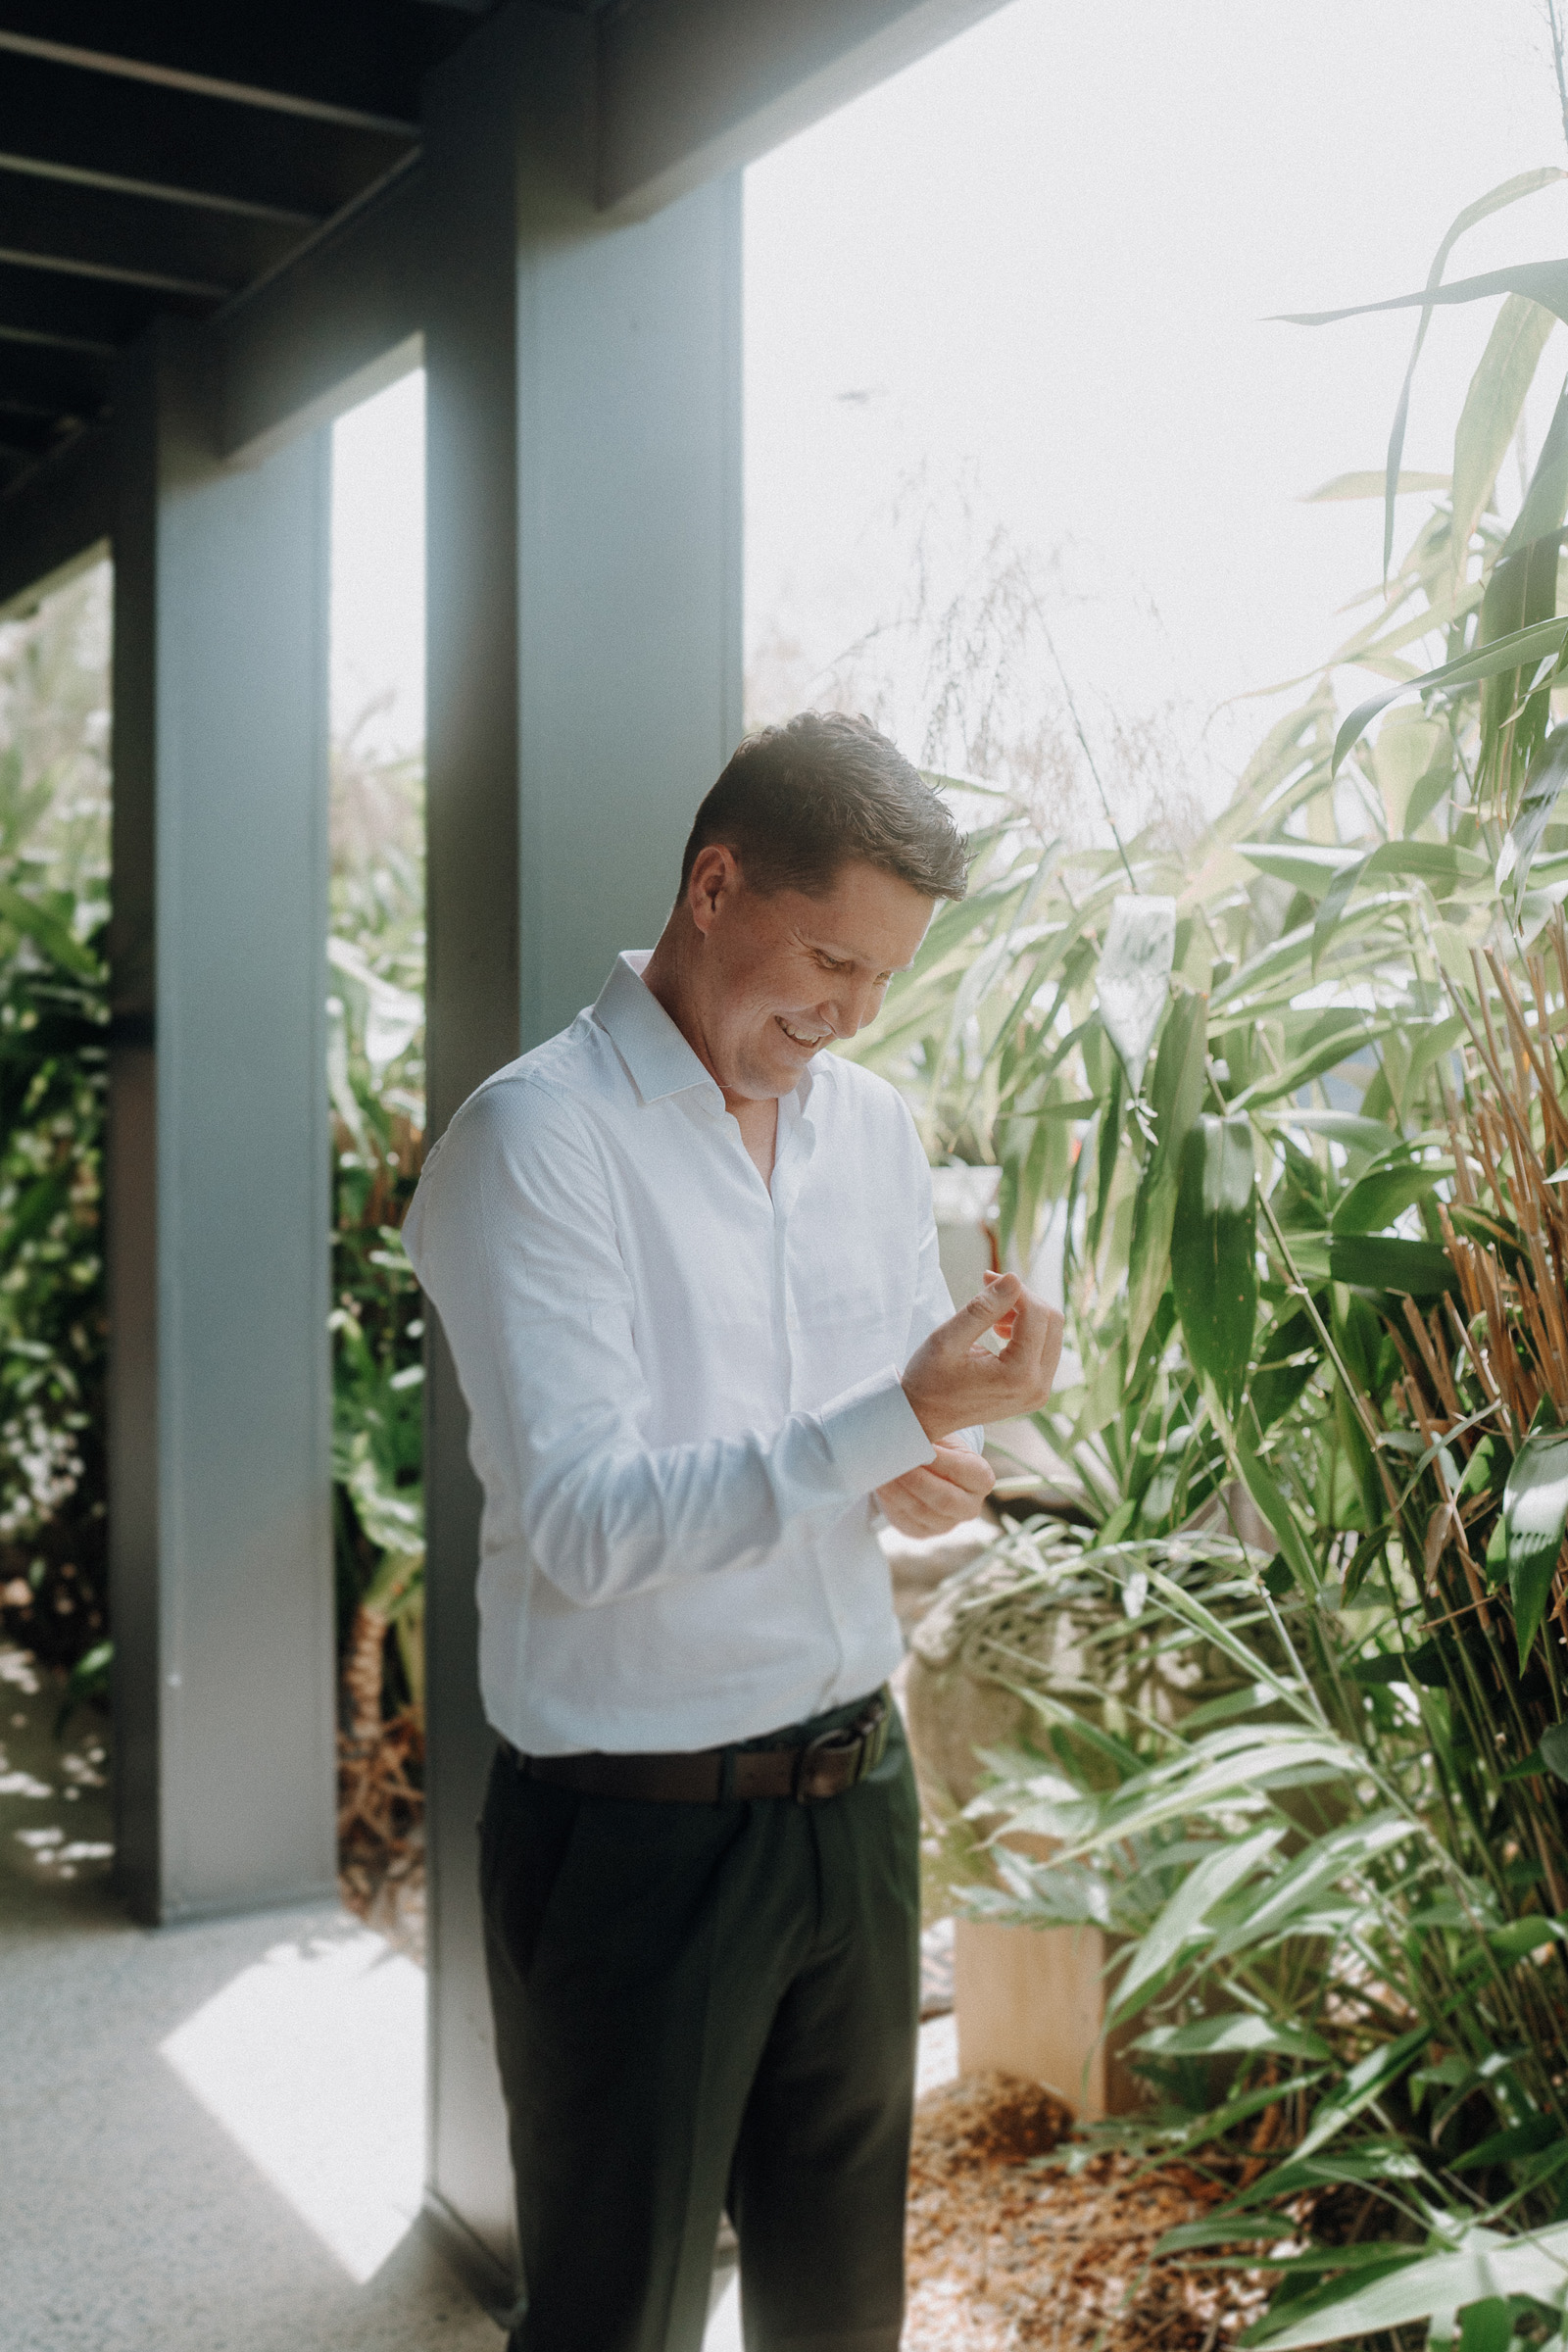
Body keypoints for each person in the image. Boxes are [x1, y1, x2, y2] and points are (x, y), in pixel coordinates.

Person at [402, 711, 1065, 2352]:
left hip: (858, 1800)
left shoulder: (874, 1133)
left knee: (842, 2316)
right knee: (615, 2319)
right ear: (714, 886)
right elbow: (580, 1525)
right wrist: (887, 1423)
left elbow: (873, 1439)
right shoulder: (532, 1143)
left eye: (884, 981)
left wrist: (944, 1440)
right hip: (637, 1837)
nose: (846, 1015)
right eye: (830, 958)